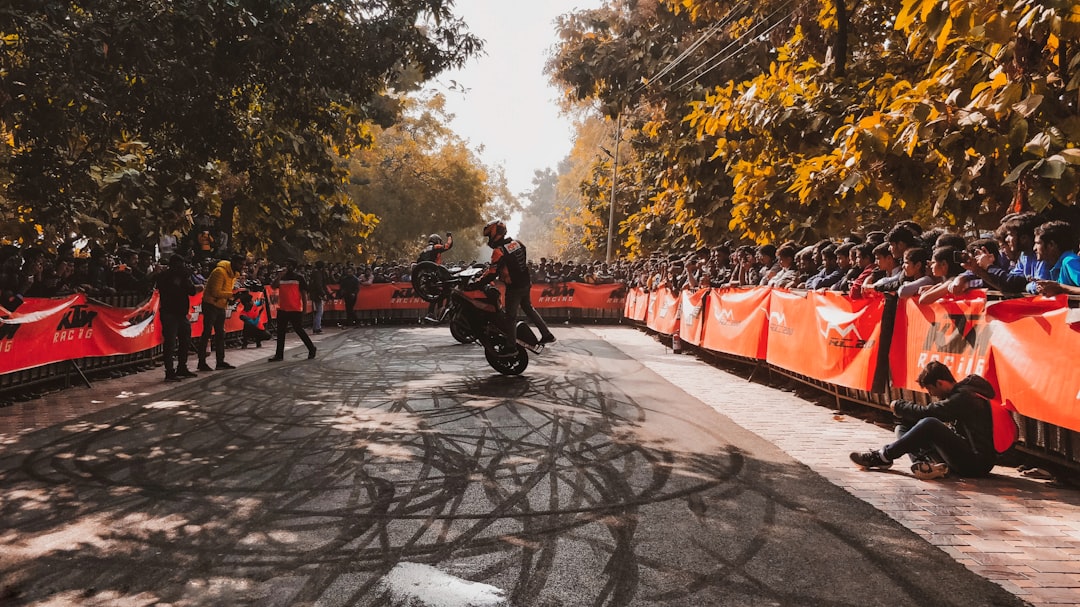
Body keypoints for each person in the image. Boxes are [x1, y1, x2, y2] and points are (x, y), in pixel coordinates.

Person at [850, 361, 998, 480]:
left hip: (976, 463)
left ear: (940, 383)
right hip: (962, 454)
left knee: (929, 423)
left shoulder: (965, 397)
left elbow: (929, 412)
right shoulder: (961, 394)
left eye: (930, 389)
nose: (931, 394)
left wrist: (900, 406)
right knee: (903, 426)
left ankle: (883, 456)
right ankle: (925, 465)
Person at [474, 219, 556, 351]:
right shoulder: (517, 243)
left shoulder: (498, 251)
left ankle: (510, 346)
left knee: (510, 317)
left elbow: (492, 273)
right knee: (528, 308)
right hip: (525, 283)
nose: (489, 239)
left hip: (514, 288)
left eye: (489, 235)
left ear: (495, 233)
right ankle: (547, 334)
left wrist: (477, 284)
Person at [155, 254, 200, 382]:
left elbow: (191, 290)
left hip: (181, 313)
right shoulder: (164, 277)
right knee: (170, 343)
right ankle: (169, 371)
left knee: (185, 341)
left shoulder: (183, 276)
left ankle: (182, 367)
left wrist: (186, 277)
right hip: (169, 313)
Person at [197, 253, 245, 371]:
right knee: (207, 333)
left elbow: (224, 291)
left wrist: (232, 297)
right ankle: (201, 362)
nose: (242, 267)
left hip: (220, 305)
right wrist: (231, 295)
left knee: (220, 334)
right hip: (210, 305)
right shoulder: (220, 272)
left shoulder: (233, 274)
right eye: (240, 264)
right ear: (233, 262)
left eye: (243, 264)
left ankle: (220, 361)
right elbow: (215, 292)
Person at [268, 258, 316, 362]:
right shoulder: (282, 277)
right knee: (280, 332)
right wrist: (279, 276)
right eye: (285, 264)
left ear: (293, 266)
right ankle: (279, 355)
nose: (286, 266)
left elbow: (304, 293)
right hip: (283, 308)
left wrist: (304, 307)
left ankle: (311, 348)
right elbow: (273, 286)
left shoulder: (299, 277)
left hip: (295, 308)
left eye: (288, 265)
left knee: (299, 330)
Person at [308, 260, 329, 334]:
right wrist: (323, 294)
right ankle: (317, 328)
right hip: (317, 294)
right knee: (320, 311)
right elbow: (319, 285)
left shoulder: (313, 273)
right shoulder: (318, 274)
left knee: (317, 311)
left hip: (314, 293)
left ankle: (316, 327)